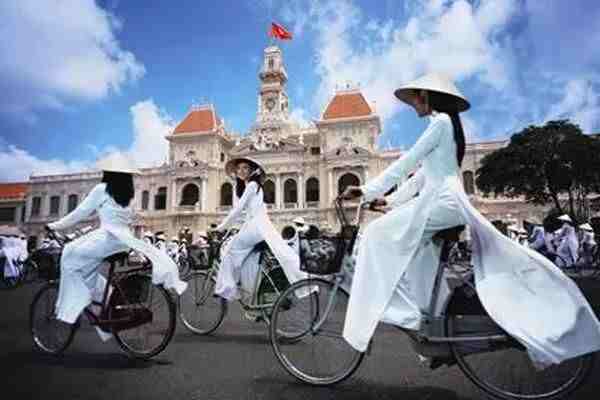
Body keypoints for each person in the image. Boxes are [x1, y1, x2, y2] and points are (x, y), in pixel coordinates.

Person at [340, 73, 600, 368]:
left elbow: (407, 162)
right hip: (440, 201)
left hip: (441, 202)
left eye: (415, 98)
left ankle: (393, 315)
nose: (412, 104)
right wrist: (387, 200)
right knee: (419, 259)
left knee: (374, 235)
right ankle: (433, 325)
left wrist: (365, 189)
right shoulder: (447, 127)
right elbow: (421, 176)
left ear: (427, 97)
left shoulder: (439, 123)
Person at [46, 155, 187, 329]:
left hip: (107, 238)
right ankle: (104, 296)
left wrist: (54, 226)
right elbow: (130, 217)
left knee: (69, 253)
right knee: (84, 263)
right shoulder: (128, 194)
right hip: (124, 241)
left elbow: (80, 213)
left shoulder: (102, 189)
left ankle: (77, 302)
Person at [213, 157, 306, 303]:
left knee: (230, 251)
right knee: (246, 256)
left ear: (252, 170)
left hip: (255, 227)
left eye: (245, 168)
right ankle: (249, 290)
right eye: (239, 168)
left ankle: (229, 289)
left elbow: (238, 210)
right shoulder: (252, 186)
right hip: (259, 227)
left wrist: (221, 227)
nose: (241, 171)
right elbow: (247, 212)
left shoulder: (252, 185)